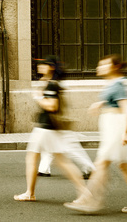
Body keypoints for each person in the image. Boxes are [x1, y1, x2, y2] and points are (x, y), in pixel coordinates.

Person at [64, 54, 127, 214]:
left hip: (117, 125)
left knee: (102, 163)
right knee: (123, 165)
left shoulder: (119, 83)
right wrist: (101, 103)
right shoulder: (112, 83)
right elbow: (113, 101)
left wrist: (126, 132)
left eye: (104, 65)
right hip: (111, 124)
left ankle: (89, 200)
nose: (99, 67)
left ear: (114, 67)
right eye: (99, 65)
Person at [14, 56, 92, 202]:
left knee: (44, 159)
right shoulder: (49, 83)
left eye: (43, 64)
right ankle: (30, 193)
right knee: (57, 160)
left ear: (51, 67)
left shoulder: (51, 85)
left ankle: (30, 193)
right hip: (46, 127)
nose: (39, 66)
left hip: (45, 128)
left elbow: (52, 106)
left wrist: (38, 97)